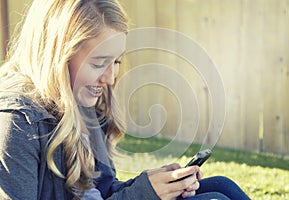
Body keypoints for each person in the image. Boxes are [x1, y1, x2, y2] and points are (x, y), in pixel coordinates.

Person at [0, 0, 250, 199]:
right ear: (56, 57)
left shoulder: (86, 107)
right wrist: (142, 194)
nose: (110, 78)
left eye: (116, 61)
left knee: (221, 187)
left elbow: (99, 193)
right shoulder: (17, 124)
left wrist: (155, 186)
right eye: (99, 63)